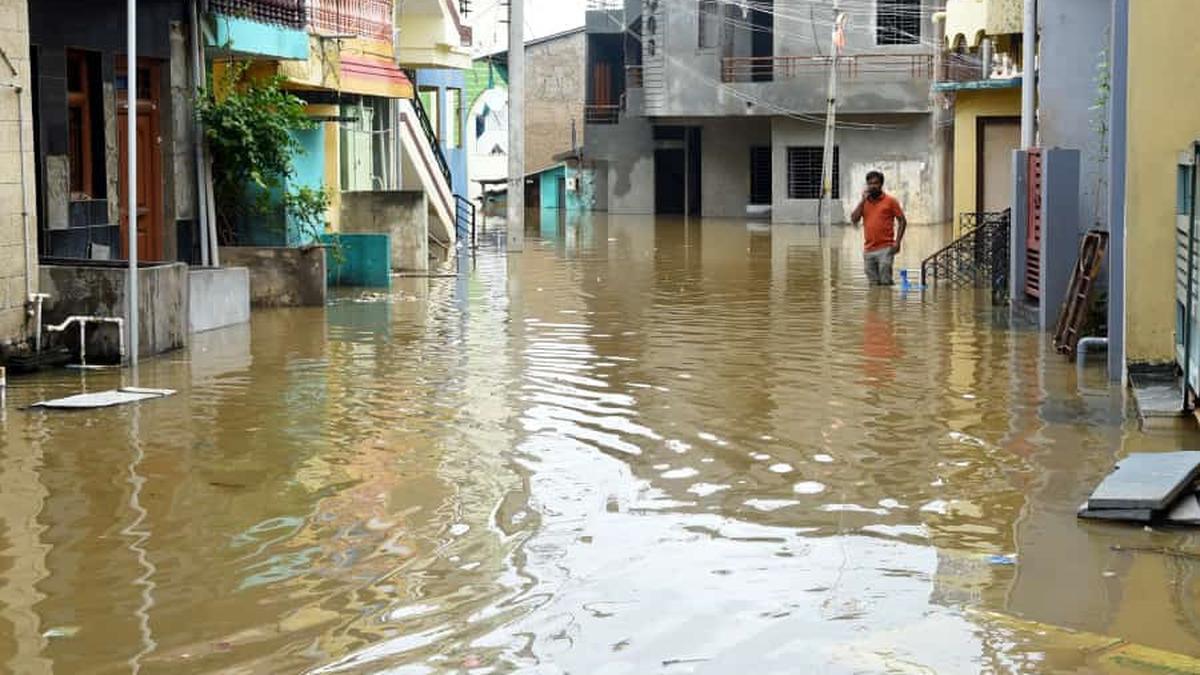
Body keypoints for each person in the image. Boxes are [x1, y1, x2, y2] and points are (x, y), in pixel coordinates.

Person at [850, 170, 907, 286]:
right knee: (873, 284)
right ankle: (875, 304)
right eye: (870, 183)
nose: (872, 186)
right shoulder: (864, 202)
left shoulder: (890, 201)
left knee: (885, 282)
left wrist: (897, 242)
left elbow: (902, 221)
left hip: (886, 248)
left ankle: (886, 302)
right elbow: (854, 219)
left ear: (881, 185)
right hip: (869, 249)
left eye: (875, 183)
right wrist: (862, 201)